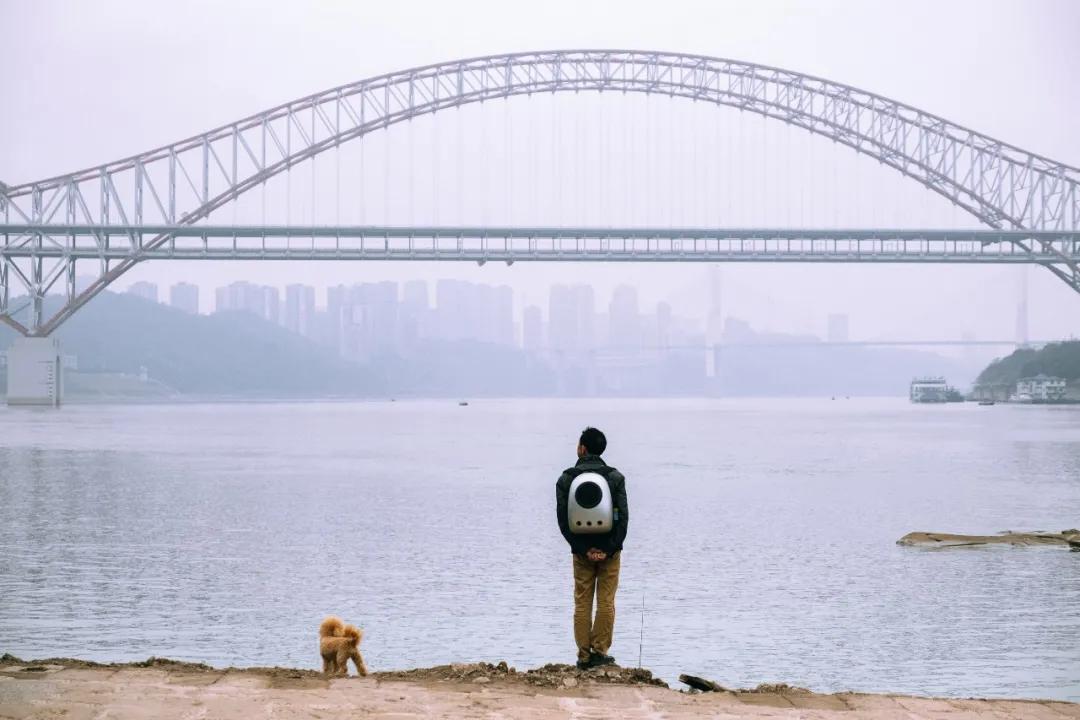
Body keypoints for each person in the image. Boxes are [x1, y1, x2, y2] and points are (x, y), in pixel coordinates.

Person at [555, 426, 629, 669]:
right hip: (610, 551)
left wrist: (583, 548)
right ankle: (600, 652)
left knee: (582, 602)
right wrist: (608, 549)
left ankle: (584, 656)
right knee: (606, 601)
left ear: (582, 448)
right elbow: (623, 519)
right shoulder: (615, 477)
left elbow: (564, 522)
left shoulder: (566, 479)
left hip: (581, 552)